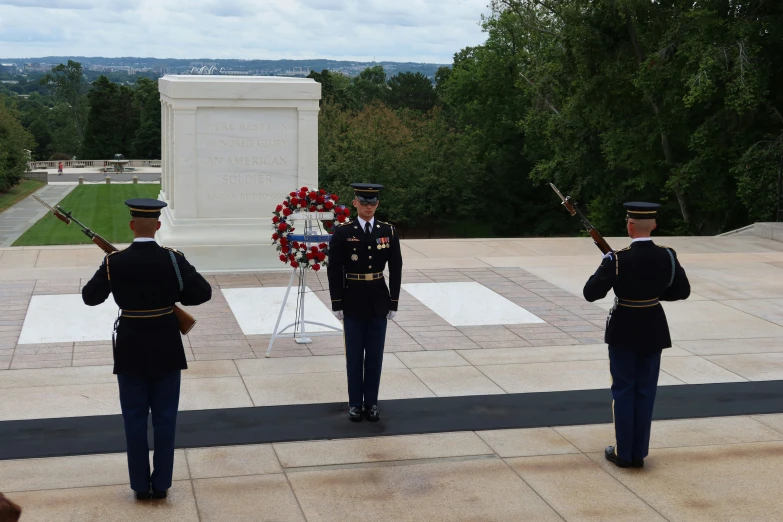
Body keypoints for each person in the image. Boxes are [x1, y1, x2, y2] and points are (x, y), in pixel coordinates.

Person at [82, 198, 212, 499]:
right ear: (157, 225)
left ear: (131, 225)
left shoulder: (114, 262)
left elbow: (90, 297)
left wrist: (115, 277)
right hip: (166, 344)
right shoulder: (174, 259)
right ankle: (162, 484)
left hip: (130, 347)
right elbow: (202, 293)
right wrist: (172, 296)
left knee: (134, 418)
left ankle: (140, 487)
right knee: (166, 418)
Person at [583, 202, 690, 468]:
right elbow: (681, 291)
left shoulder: (618, 258)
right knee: (645, 390)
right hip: (653, 326)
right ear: (654, 225)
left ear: (629, 225)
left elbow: (591, 293)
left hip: (624, 328)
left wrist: (605, 266)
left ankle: (624, 453)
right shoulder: (668, 255)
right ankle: (638, 453)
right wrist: (652, 294)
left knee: (624, 389)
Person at [327, 183, 403, 422]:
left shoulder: (388, 231)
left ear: (377, 204)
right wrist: (337, 302)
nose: (368, 206)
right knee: (354, 355)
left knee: (375, 355)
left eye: (372, 202)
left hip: (378, 299)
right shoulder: (342, 232)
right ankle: (355, 404)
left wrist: (393, 302)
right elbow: (334, 269)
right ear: (355, 203)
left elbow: (396, 267)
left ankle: (371, 403)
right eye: (364, 202)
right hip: (353, 298)